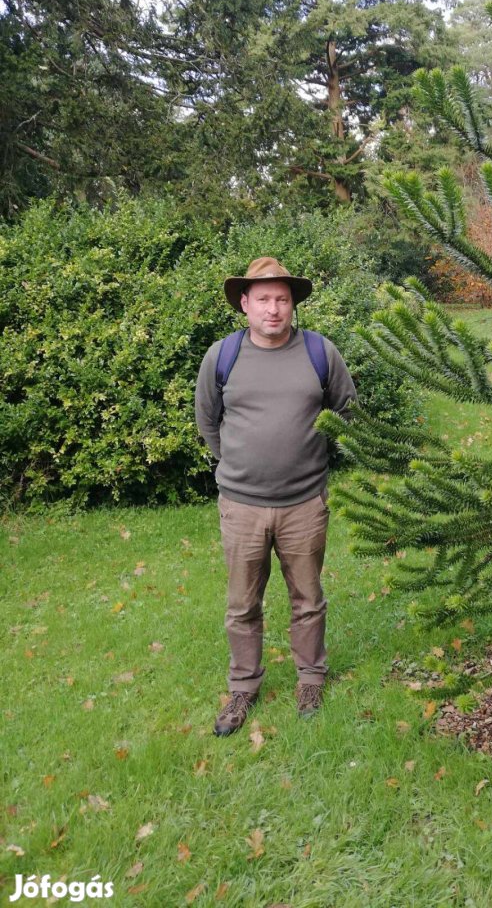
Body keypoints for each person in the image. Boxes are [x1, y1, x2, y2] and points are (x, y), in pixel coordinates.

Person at [195, 257, 356, 735]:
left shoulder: (319, 353)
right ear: (244, 304)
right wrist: (239, 467)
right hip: (241, 505)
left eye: (282, 299)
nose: (273, 309)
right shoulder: (222, 356)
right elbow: (208, 420)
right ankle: (243, 687)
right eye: (263, 299)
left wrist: (308, 456)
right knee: (242, 603)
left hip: (305, 503)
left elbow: (346, 411)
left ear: (293, 304)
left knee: (307, 597)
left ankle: (310, 677)